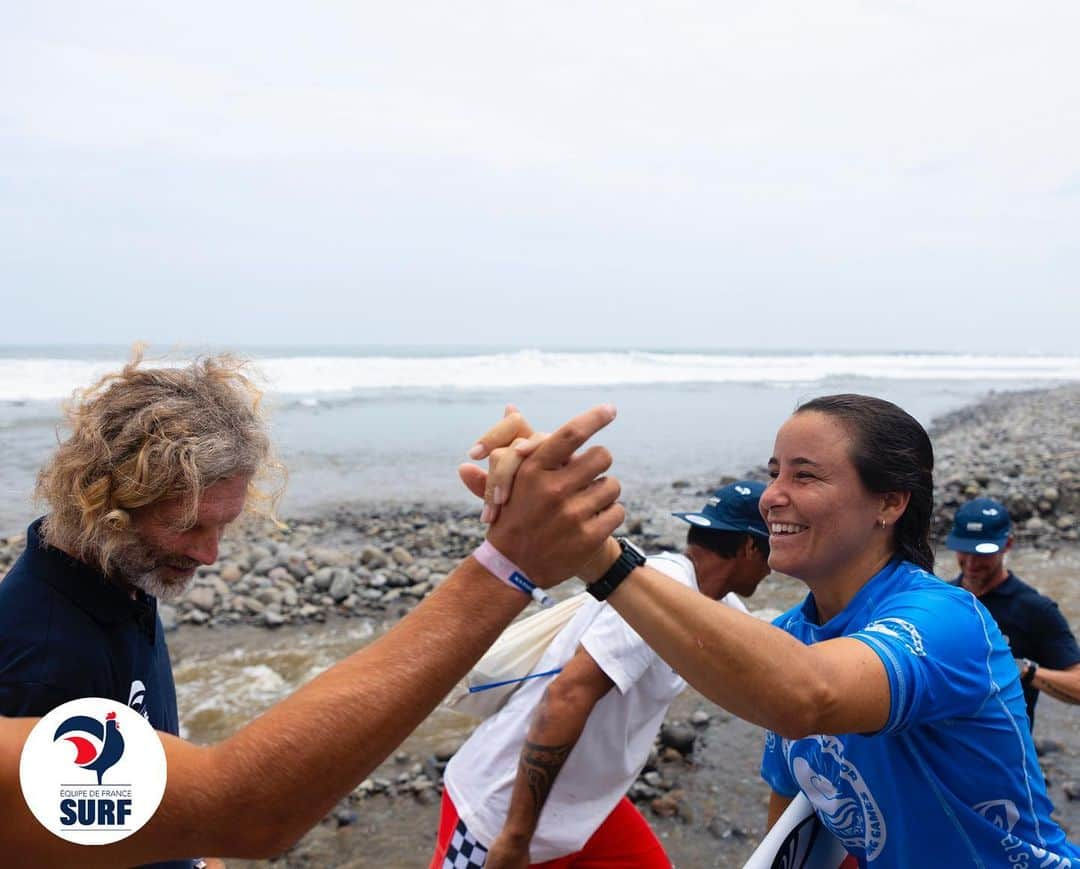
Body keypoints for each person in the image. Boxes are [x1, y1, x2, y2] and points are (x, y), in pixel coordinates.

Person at [0, 401, 623, 866]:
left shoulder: (115, 574)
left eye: (224, 524)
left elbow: (172, 796)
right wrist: (508, 564)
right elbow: (238, 810)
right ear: (103, 501)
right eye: (189, 526)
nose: (211, 555)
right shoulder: (44, 660)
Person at [476, 394, 1079, 867]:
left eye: (806, 476)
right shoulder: (791, 632)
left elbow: (808, 697)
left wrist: (596, 556)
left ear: (890, 503)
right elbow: (793, 800)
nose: (772, 498)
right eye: (774, 473)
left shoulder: (947, 619)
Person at [431, 481, 772, 869]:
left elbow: (773, 658)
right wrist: (514, 837)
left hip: (583, 807)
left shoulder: (708, 601)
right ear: (749, 548)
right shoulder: (661, 591)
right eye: (773, 547)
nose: (776, 564)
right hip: (502, 809)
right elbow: (566, 696)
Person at [946, 497, 1080, 728]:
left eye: (982, 553)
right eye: (964, 550)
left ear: (1007, 544)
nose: (971, 563)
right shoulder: (942, 598)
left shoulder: (1035, 610)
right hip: (945, 746)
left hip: (1004, 752)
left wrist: (1024, 671)